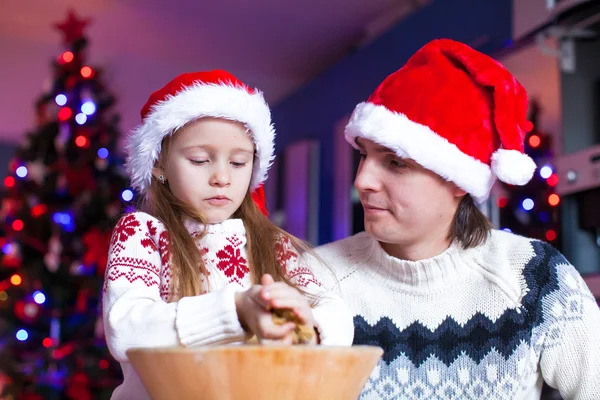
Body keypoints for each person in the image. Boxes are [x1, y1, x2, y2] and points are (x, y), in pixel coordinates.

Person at [314, 39, 600, 399]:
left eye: (395, 162)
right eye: (363, 155)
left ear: (457, 181)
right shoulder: (316, 277)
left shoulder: (535, 277)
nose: (361, 182)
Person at [102, 70, 354, 399]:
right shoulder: (143, 232)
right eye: (200, 159)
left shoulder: (271, 243)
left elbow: (335, 313)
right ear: (158, 164)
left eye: (238, 163)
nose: (221, 177)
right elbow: (126, 330)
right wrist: (236, 311)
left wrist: (306, 326)